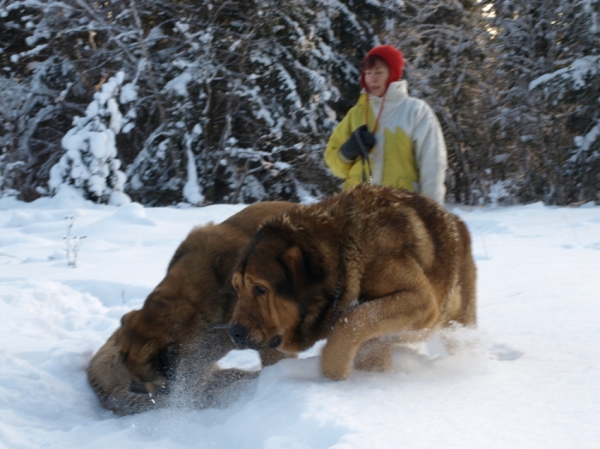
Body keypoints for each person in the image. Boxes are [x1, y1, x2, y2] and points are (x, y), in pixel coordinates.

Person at [324, 45, 448, 204]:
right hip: (356, 210)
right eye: (368, 73)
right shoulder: (356, 114)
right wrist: (346, 153)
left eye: (378, 72)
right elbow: (335, 166)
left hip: (400, 211)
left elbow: (432, 165)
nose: (372, 78)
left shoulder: (415, 111)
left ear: (393, 73)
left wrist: (432, 212)